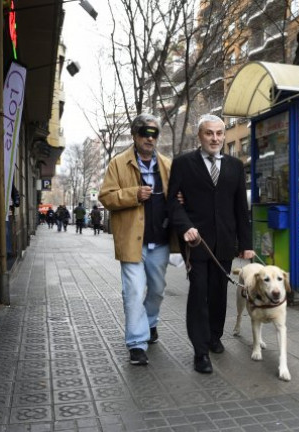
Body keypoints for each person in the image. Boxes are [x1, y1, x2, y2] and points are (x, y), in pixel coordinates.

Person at [167, 114, 254, 375]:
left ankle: (215, 336)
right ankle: (200, 351)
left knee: (218, 294)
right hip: (197, 242)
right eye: (209, 133)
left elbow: (241, 208)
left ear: (224, 136)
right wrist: (185, 227)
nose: (215, 138)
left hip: (225, 242)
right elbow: (173, 202)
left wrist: (246, 243)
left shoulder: (235, 166)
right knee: (199, 294)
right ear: (200, 136)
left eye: (219, 133)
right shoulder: (183, 164)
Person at [99, 113, 175, 366]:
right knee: (132, 292)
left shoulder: (167, 165)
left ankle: (151, 323)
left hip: (160, 242)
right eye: (144, 133)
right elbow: (106, 197)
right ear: (134, 135)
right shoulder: (118, 164)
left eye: (154, 134)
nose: (149, 139)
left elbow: (177, 197)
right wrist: (133, 194)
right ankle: (136, 343)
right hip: (132, 242)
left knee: (156, 290)